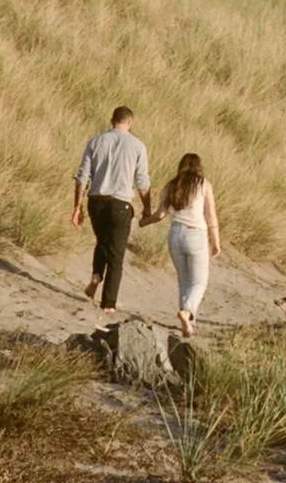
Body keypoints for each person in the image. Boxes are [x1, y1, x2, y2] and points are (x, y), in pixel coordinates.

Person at [73, 105, 150, 318]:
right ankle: (108, 303)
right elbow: (142, 182)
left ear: (112, 119)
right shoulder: (137, 146)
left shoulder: (95, 141)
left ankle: (96, 275)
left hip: (96, 201)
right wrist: (147, 207)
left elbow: (82, 177)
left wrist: (76, 207)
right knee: (116, 255)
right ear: (130, 122)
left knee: (102, 242)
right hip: (120, 203)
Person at [146, 151, 220, 337]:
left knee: (184, 281)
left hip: (175, 233)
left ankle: (187, 324)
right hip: (196, 234)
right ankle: (187, 312)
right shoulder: (203, 184)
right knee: (199, 282)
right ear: (199, 167)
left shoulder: (172, 185)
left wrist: (143, 222)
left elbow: (160, 214)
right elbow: (210, 215)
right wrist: (216, 241)